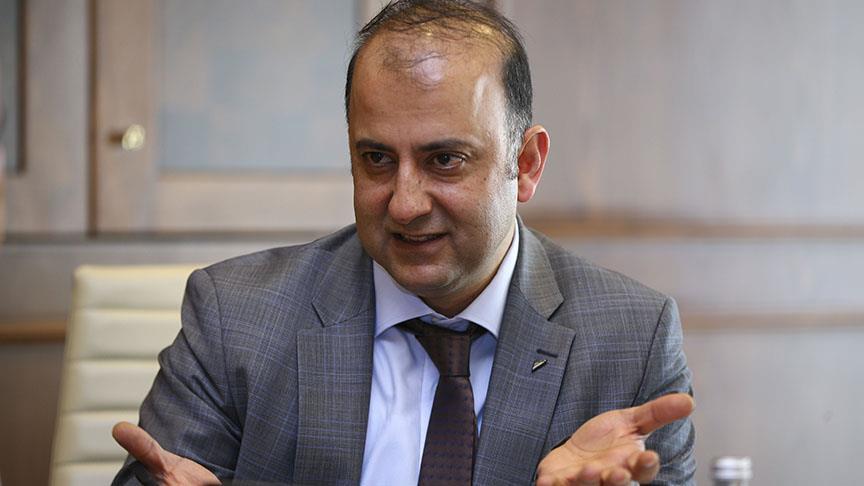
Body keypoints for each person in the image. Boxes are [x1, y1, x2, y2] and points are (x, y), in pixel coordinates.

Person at [112, 1, 695, 484]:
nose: (404, 204)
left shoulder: (631, 340)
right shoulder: (236, 318)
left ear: (526, 163)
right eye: (377, 159)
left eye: (445, 160)